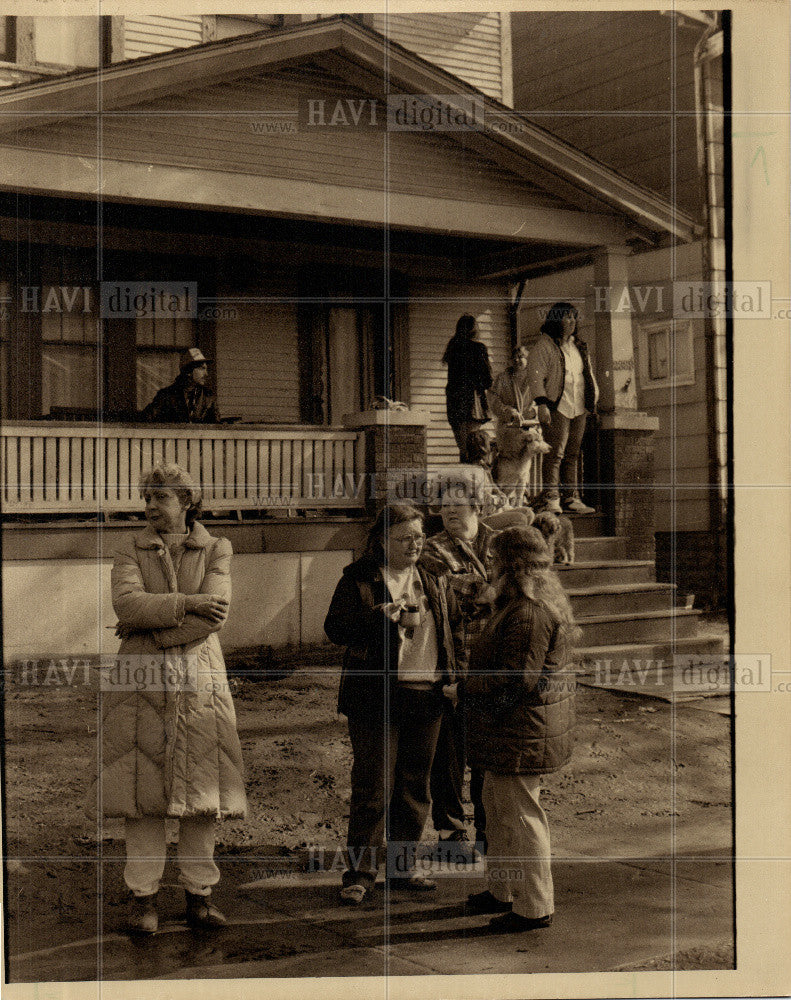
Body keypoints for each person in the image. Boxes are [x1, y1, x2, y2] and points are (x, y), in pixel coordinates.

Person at [87, 463, 247, 934]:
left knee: (202, 794)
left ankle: (200, 896)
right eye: (147, 498)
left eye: (160, 497)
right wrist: (186, 604)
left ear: (187, 501)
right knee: (142, 792)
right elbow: (126, 604)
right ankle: (144, 900)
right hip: (139, 683)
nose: (150, 506)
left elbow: (216, 613)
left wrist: (150, 629)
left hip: (199, 682)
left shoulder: (218, 548)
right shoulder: (129, 548)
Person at [324, 503, 464, 904]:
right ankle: (361, 874)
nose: (414, 544)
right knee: (374, 786)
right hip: (376, 697)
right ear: (382, 541)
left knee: (414, 788)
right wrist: (380, 616)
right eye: (404, 538)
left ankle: (403, 869)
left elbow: (455, 626)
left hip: (428, 694)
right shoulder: (359, 578)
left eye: (419, 537)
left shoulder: (434, 577)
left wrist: (456, 677)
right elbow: (335, 629)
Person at [463, 527, 578, 933]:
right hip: (512, 729)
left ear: (510, 566)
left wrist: (462, 687)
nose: (489, 566)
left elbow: (516, 680)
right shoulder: (519, 605)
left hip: (519, 732)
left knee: (522, 816)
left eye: (494, 560)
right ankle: (503, 891)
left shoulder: (528, 612)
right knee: (499, 811)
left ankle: (534, 906)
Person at [421, 476, 499, 862]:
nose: (450, 511)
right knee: (448, 757)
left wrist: (485, 588)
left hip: (492, 668)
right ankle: (451, 833)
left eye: (458, 504)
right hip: (451, 664)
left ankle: (488, 831)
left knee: (488, 753)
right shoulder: (431, 550)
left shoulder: (498, 543)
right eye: (443, 505)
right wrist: (491, 588)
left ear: (477, 507)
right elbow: (457, 593)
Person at [527, 302, 598, 515]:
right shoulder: (545, 345)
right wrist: (541, 403)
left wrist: (593, 400)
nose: (572, 322)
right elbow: (535, 375)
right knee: (555, 454)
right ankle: (551, 498)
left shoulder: (579, 347)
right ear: (556, 320)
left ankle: (571, 497)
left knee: (573, 454)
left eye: (574, 318)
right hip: (557, 406)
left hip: (579, 406)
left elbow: (588, 375)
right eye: (567, 317)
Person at [442, 314, 493, 462]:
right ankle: (474, 482)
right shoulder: (478, 348)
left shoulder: (453, 348)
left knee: (463, 450)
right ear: (474, 329)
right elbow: (488, 380)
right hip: (472, 405)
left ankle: (465, 482)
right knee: (474, 450)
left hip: (454, 404)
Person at [142, 348, 218, 423]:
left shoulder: (208, 397)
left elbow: (216, 427)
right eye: (202, 368)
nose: (206, 374)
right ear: (188, 371)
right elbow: (146, 418)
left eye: (206, 369)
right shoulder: (166, 396)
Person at [488, 345, 537, 429]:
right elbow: (493, 400)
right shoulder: (503, 378)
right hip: (508, 426)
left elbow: (544, 400)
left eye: (520, 357)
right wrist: (509, 412)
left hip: (531, 425)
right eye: (514, 357)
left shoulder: (535, 379)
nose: (516, 360)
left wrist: (534, 410)